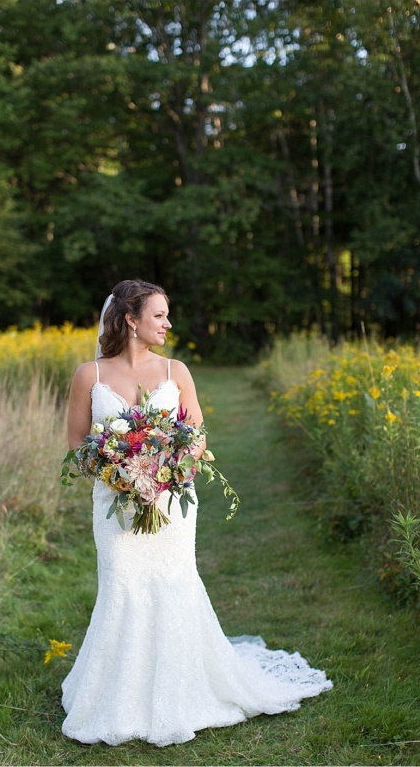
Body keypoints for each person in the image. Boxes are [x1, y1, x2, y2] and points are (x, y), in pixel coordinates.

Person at [61, 279, 332, 747]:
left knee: (172, 583)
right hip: (115, 505)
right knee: (122, 585)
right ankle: (117, 696)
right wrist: (123, 476)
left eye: (167, 314)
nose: (168, 323)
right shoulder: (91, 375)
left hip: (170, 501)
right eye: (159, 315)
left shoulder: (175, 370)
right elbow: (76, 445)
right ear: (131, 319)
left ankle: (181, 692)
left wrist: (161, 475)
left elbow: (198, 435)